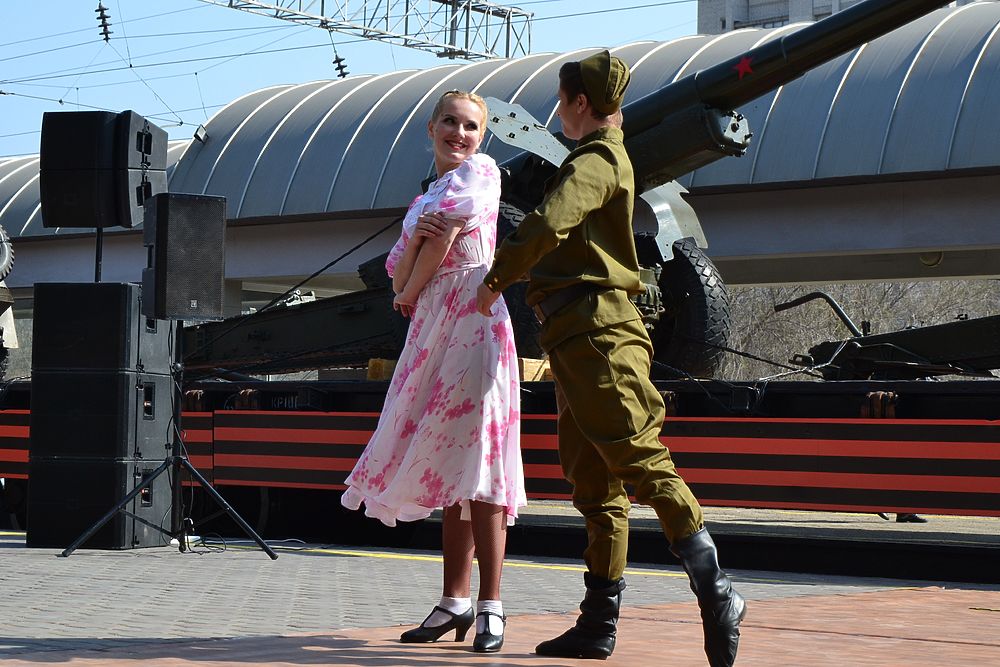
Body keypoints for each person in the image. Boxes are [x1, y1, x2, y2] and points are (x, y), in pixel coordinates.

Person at [475, 51, 746, 666]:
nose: (557, 113)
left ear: (579, 103)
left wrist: (495, 278)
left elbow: (552, 220)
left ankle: (718, 591)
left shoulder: (595, 159)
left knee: (639, 459)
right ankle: (598, 624)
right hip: (576, 336)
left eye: (560, 101)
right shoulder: (600, 158)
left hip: (599, 333)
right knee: (595, 486)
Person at [341, 90, 525, 654]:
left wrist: (411, 282)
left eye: (470, 126)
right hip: (433, 328)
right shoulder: (425, 197)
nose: (459, 134)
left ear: (482, 136)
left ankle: (491, 604)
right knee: (449, 464)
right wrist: (411, 273)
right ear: (431, 127)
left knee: (482, 466)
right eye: (450, 122)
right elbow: (398, 270)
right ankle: (454, 600)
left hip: (472, 319)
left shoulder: (482, 172)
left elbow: (432, 250)